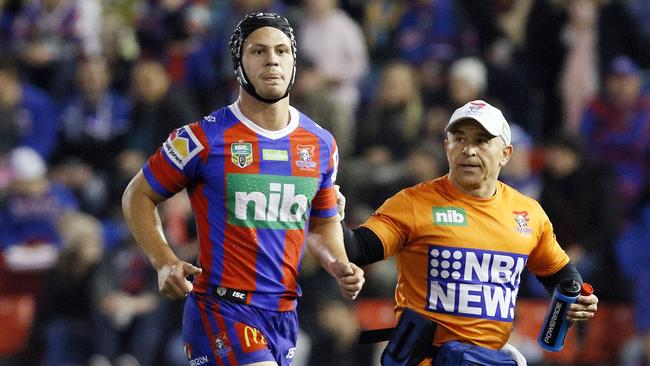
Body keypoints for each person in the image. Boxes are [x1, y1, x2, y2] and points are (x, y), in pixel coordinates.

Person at [121, 12, 364, 366]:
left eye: (282, 51)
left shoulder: (321, 144)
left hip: (283, 313)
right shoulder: (203, 138)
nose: (272, 60)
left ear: (295, 61)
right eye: (258, 51)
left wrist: (337, 261)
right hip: (221, 309)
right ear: (238, 64)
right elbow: (137, 195)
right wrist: (164, 261)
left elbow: (322, 223)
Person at [318, 100, 599, 365]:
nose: (468, 149)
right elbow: (357, 249)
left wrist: (577, 302)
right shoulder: (413, 203)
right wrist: (329, 212)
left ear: (505, 153)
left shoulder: (528, 213)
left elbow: (562, 275)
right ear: (447, 146)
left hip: (490, 360)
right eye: (460, 139)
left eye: (481, 140)